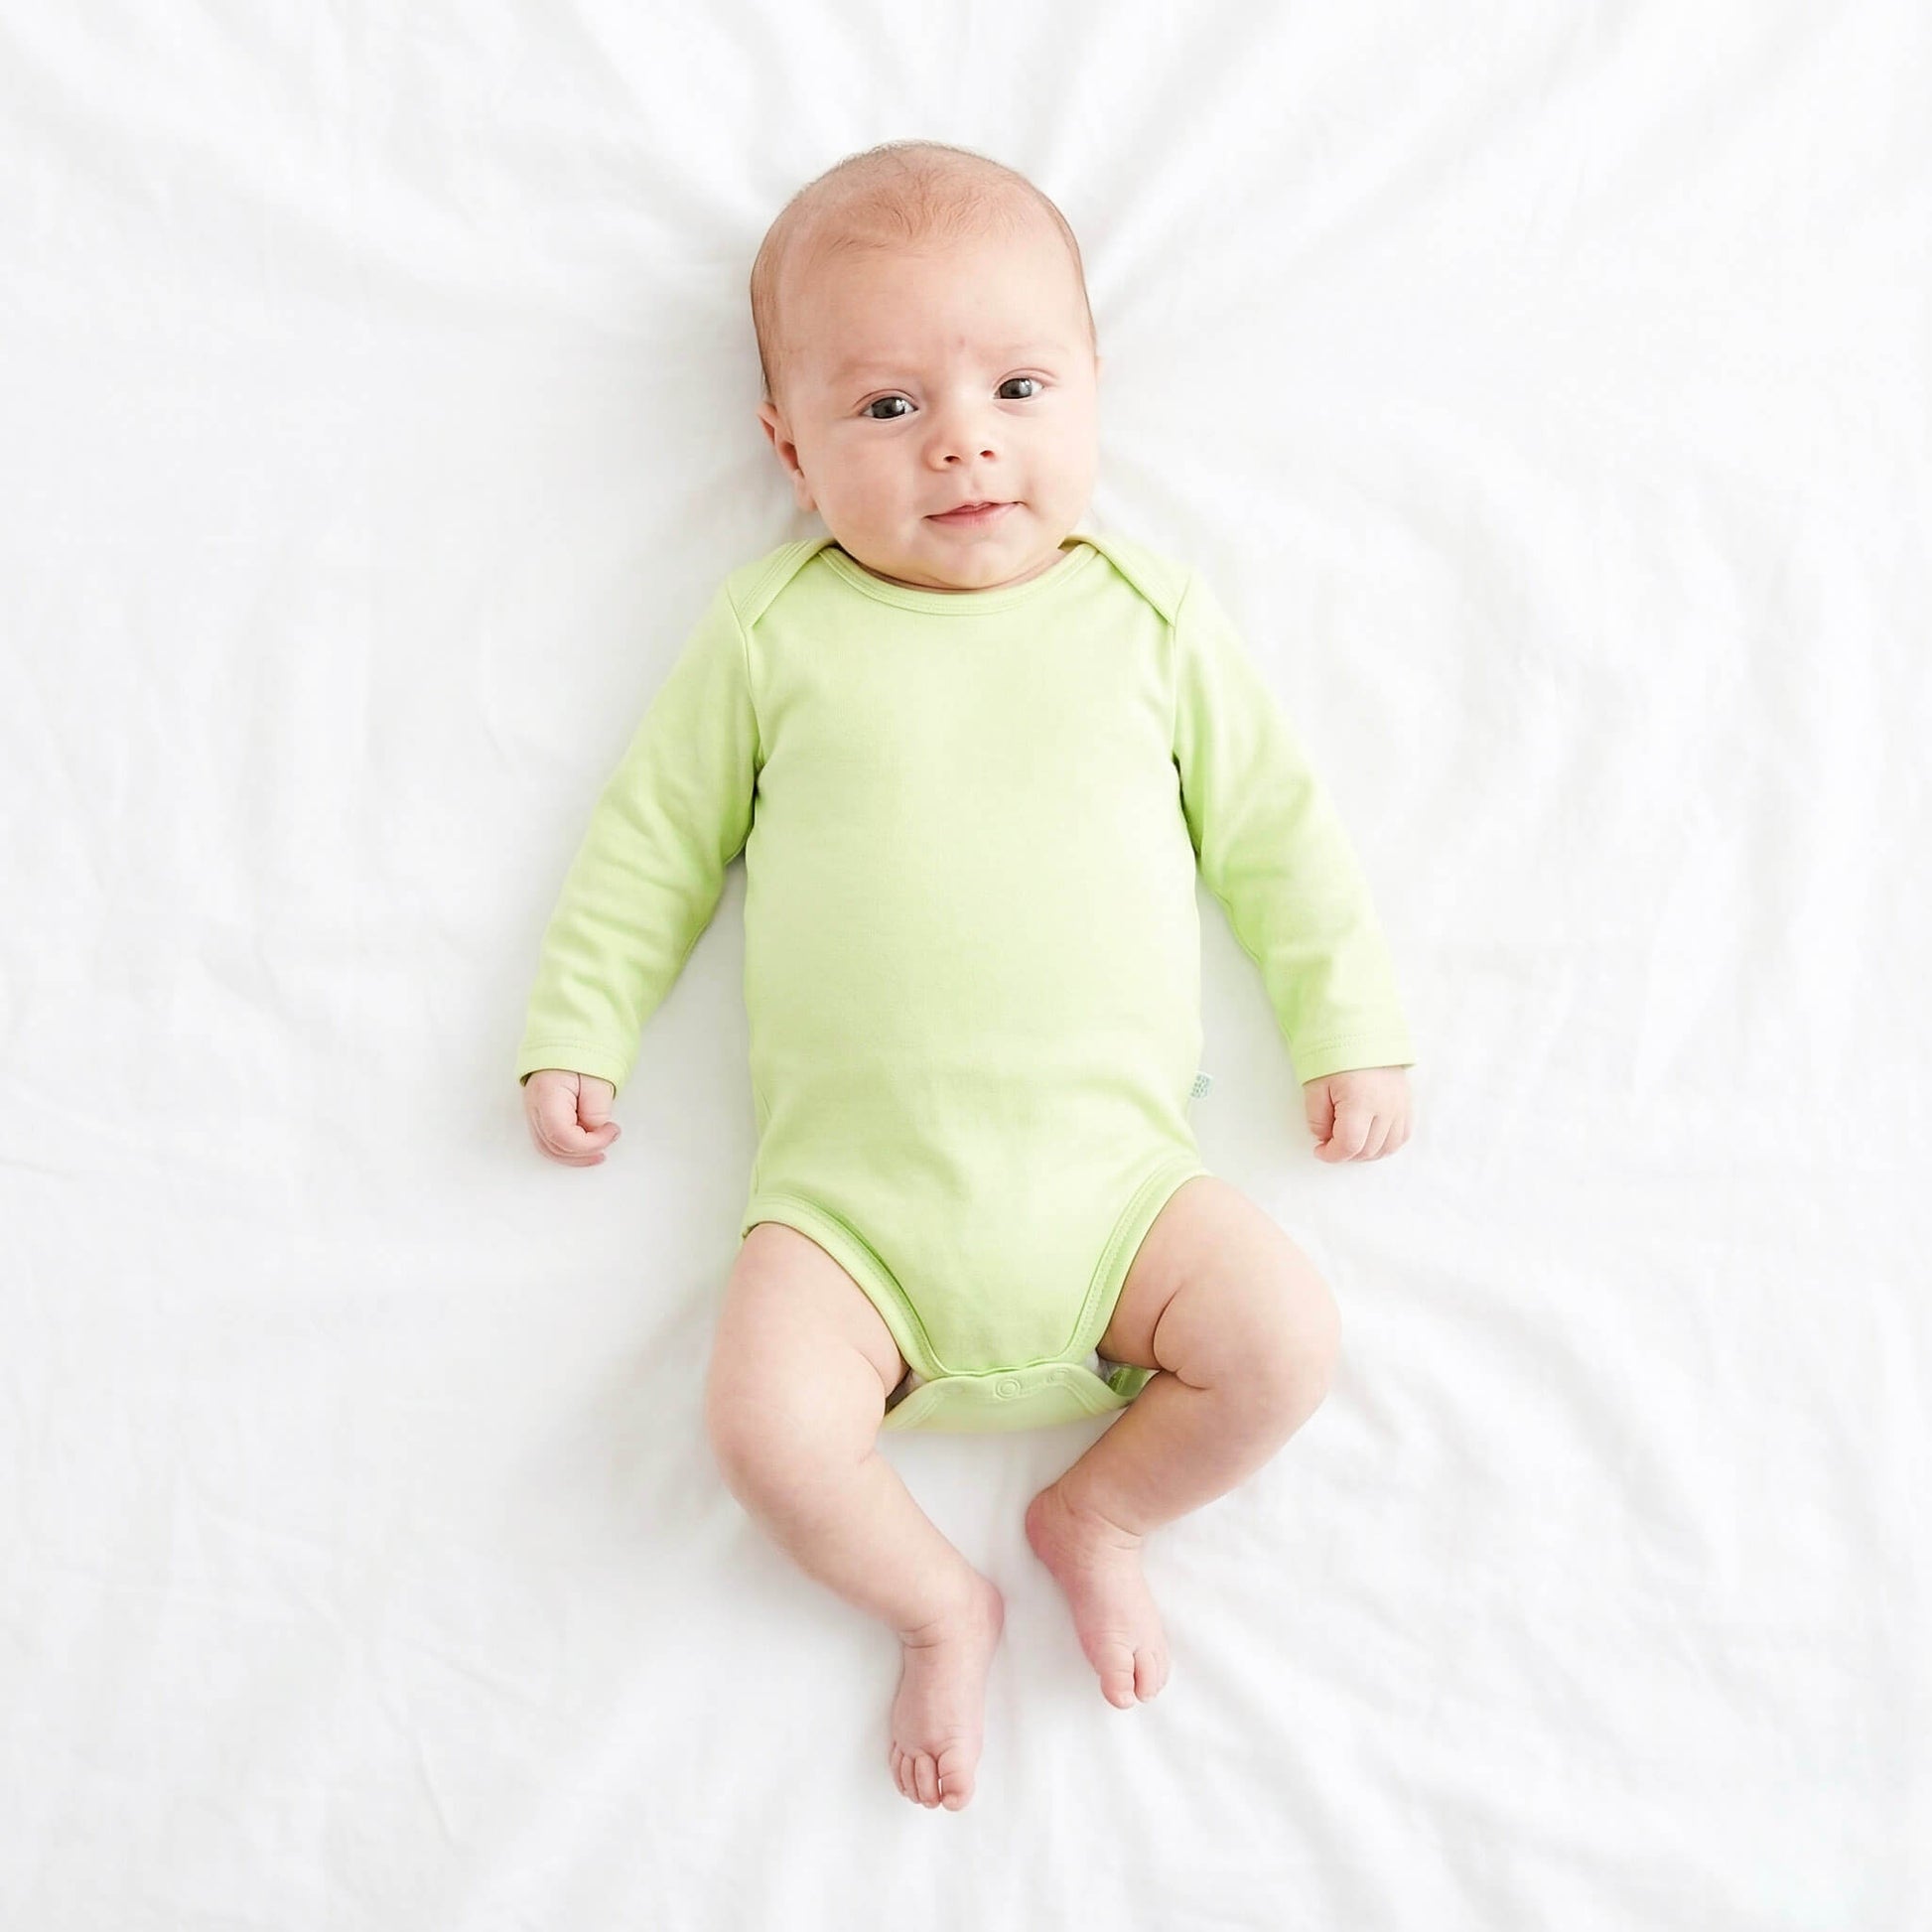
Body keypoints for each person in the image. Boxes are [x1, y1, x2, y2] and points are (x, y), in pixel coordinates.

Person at [515, 139, 1417, 1814]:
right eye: (884, 409)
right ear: (785, 446)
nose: (963, 441)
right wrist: (583, 1024)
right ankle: (936, 1597)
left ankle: (1105, 1509)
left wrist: (1344, 1023)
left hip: (1119, 1192)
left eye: (1015, 383)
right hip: (852, 1217)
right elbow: (652, 841)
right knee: (765, 1431)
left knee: (1284, 1339)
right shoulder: (773, 634)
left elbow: (1277, 836)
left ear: (1091, 391)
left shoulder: (1145, 619)